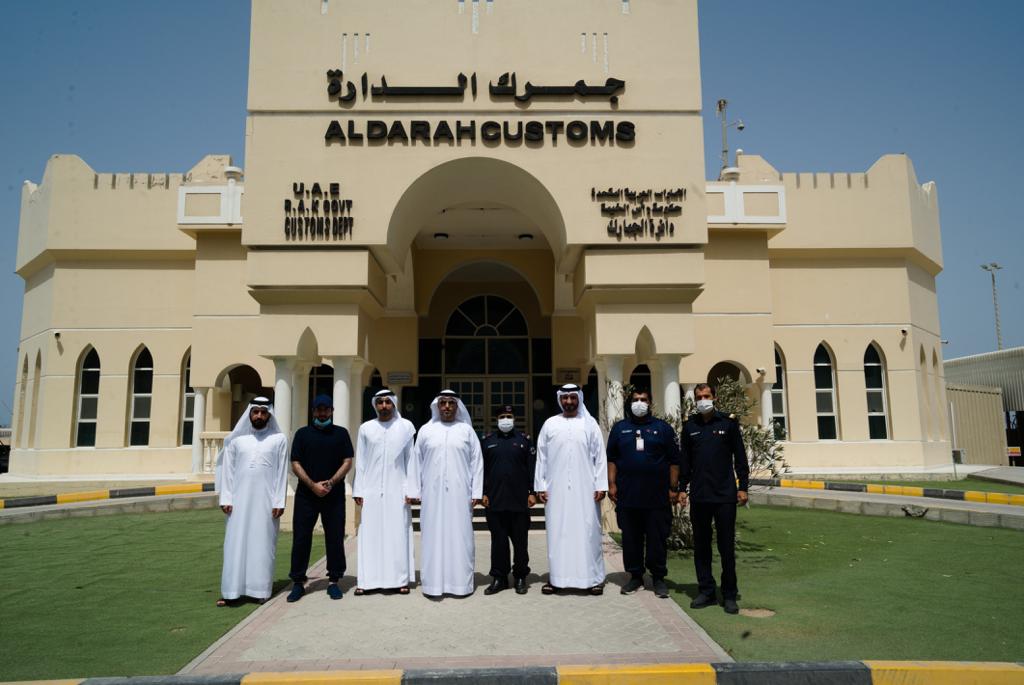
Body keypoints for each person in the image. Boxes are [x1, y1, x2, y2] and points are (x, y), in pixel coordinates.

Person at [679, 383, 749, 615]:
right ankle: (706, 591)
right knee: (701, 547)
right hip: (700, 496)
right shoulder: (690, 427)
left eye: (706, 396)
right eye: (699, 397)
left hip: (725, 496)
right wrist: (681, 488)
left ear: (714, 397)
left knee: (726, 548)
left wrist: (743, 487)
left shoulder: (727, 424)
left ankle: (729, 595)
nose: (702, 400)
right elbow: (685, 462)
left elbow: (740, 458)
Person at [607, 387, 681, 598]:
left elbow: (674, 461)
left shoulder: (662, 428)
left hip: (657, 497)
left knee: (657, 539)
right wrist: (611, 484)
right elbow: (612, 458)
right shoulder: (620, 429)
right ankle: (635, 576)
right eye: (636, 399)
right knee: (631, 539)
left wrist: (673, 488)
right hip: (628, 496)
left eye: (644, 399)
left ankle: (658, 578)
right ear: (630, 403)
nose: (639, 403)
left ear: (650, 403)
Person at [535, 383, 607, 595]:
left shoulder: (590, 424)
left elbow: (599, 456)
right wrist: (540, 485)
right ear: (560, 400)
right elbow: (542, 457)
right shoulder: (550, 424)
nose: (568, 402)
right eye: (565, 398)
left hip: (586, 490)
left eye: (572, 398)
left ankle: (593, 579)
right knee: (558, 533)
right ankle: (557, 579)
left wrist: (601, 484)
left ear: (579, 399)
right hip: (555, 491)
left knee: (588, 532)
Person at [217, 398, 289, 606]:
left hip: (266, 503)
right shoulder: (237, 440)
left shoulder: (278, 439)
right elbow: (228, 472)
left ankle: (260, 590)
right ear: (249, 414)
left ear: (269, 415)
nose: (259, 416)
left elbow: (281, 472)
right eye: (255, 412)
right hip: (238, 503)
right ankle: (231, 591)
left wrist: (279, 502)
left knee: (263, 544)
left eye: (263, 412)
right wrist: (226, 498)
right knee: (234, 544)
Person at [413, 389, 483, 597]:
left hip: (461, 494)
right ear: (437, 406)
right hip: (431, 496)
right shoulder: (426, 430)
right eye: (442, 403)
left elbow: (477, 463)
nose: (446, 407)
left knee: (461, 537)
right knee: (432, 537)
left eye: (451, 403)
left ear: (457, 407)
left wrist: (476, 492)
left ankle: (461, 584)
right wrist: (414, 490)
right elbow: (416, 462)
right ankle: (433, 585)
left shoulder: (466, 431)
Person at [286, 394, 354, 602]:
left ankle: (334, 581)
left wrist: (331, 482)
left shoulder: (341, 434)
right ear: (313, 411)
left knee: (334, 537)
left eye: (326, 409)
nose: (322, 412)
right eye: (318, 409)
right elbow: (295, 463)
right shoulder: (302, 434)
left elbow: (348, 460)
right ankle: (298, 582)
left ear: (332, 411)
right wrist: (313, 485)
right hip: (307, 494)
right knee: (301, 538)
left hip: (333, 495)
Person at [352, 388, 418, 595]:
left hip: (398, 490)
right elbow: (361, 462)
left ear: (394, 403)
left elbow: (411, 461)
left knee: (397, 534)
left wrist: (411, 489)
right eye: (380, 402)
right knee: (370, 534)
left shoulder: (406, 427)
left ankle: (400, 580)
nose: (384, 406)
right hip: (370, 490)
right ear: (374, 404)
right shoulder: (366, 428)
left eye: (388, 402)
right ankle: (367, 580)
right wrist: (358, 489)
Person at [481, 405, 536, 595]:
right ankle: (499, 578)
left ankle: (520, 576)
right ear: (497, 420)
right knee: (499, 542)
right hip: (495, 500)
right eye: (503, 416)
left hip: (519, 501)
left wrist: (532, 492)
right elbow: (482, 471)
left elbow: (531, 468)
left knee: (520, 542)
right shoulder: (487, 442)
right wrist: (483, 492)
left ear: (514, 419)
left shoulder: (524, 441)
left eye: (509, 416)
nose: (506, 419)